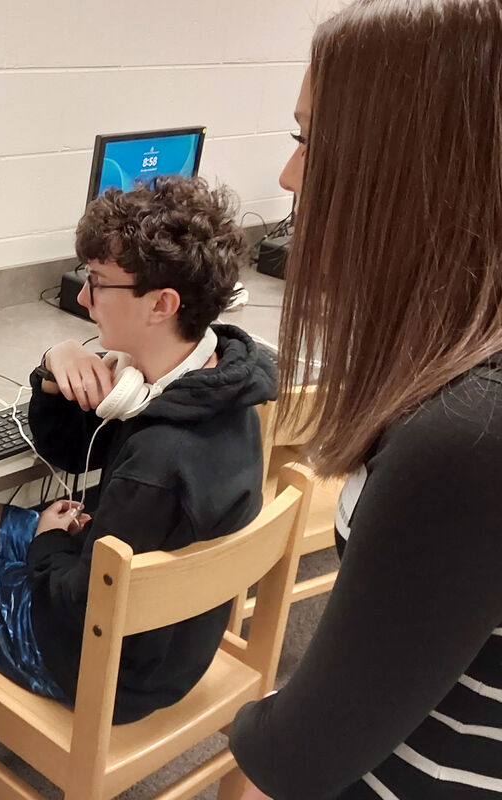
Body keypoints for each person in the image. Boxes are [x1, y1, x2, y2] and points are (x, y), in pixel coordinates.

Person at [0, 176, 275, 723]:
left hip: (96, 662)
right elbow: (70, 451)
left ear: (162, 303)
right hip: (157, 636)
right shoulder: (204, 385)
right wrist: (56, 366)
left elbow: (74, 608)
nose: (81, 297)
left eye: (98, 282)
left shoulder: (160, 461)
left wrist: (49, 542)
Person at [229, 2, 502, 798]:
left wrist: (252, 721)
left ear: (418, 165)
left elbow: (296, 757)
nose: (287, 176)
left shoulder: (467, 437)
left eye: (307, 141)